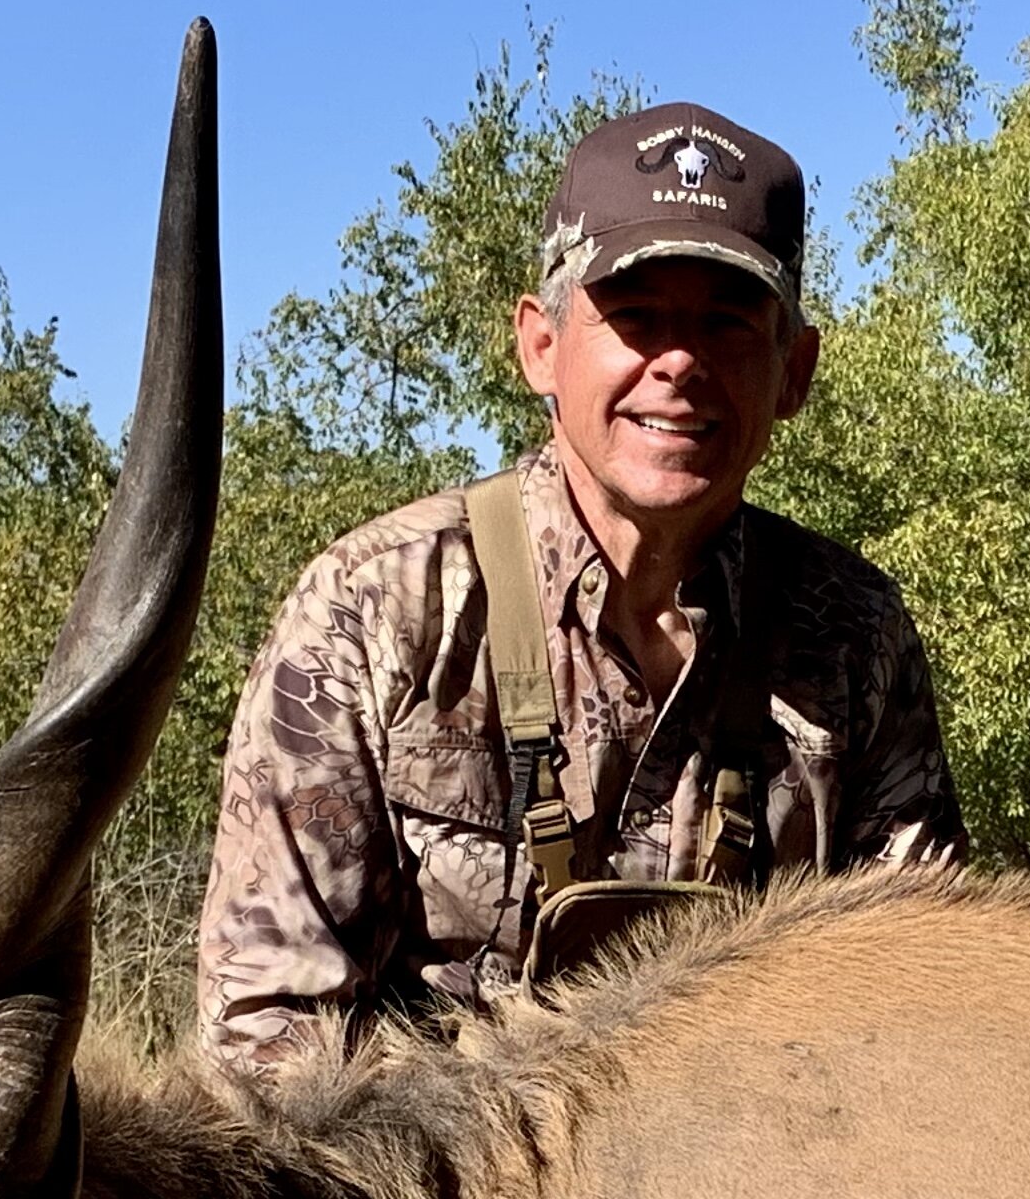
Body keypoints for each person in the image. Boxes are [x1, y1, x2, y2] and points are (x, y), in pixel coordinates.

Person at [197, 102, 963, 1075]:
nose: (679, 363)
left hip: (765, 1181)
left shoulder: (852, 634)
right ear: (541, 346)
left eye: (729, 323)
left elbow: (917, 999)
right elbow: (265, 1042)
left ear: (793, 371)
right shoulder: (379, 607)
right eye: (635, 318)